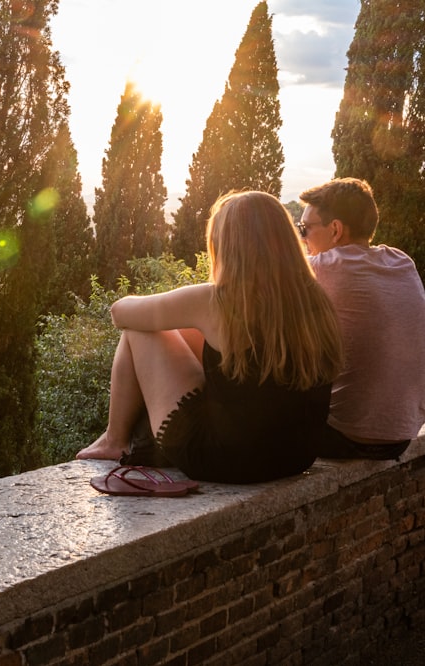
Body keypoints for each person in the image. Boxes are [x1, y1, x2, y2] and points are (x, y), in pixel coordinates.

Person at [75, 191, 343, 483]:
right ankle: (117, 439)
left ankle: (114, 440)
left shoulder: (218, 301)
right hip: (293, 457)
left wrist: (178, 307)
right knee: (186, 330)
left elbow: (120, 313)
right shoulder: (315, 300)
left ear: (227, 245)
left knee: (141, 330)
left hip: (224, 460)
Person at [298, 178, 425, 460]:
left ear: (335, 229)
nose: (302, 238)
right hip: (402, 435)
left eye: (304, 229)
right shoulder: (401, 262)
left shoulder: (323, 267)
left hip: (343, 437)